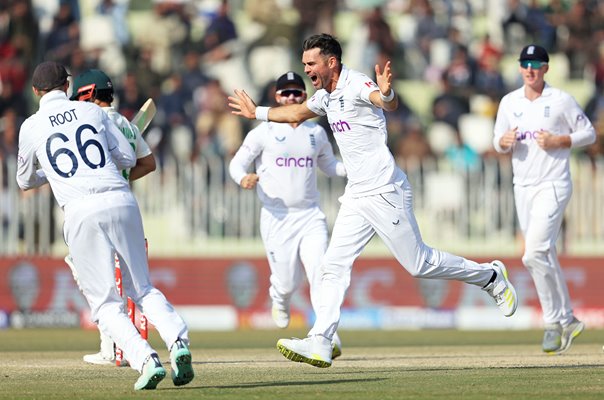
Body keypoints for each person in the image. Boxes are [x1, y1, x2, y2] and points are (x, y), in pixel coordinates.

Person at [228, 33, 518, 368]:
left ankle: (490, 276)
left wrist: (388, 92)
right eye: (304, 63)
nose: (306, 69)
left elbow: (384, 101)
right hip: (356, 194)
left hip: (385, 190)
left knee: (419, 264)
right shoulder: (325, 96)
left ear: (331, 62)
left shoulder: (356, 83)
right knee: (332, 266)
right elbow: (294, 114)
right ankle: (321, 340)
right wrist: (258, 113)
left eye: (311, 63)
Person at [16, 61, 194, 390]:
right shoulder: (94, 114)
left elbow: (25, 181)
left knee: (106, 304)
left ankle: (145, 360)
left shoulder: (30, 126)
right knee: (142, 288)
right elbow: (127, 158)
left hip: (80, 210)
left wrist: (53, 173)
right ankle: (178, 342)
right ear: (67, 86)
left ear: (35, 92)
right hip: (119, 198)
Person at [228, 71, 346, 358]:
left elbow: (330, 168)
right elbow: (236, 165)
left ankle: (326, 334)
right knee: (287, 282)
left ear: (305, 97)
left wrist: (356, 169)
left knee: (321, 272)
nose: (292, 97)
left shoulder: (316, 133)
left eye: (297, 93)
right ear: (277, 98)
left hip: (310, 215)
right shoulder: (262, 133)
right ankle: (279, 298)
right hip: (276, 217)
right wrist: (243, 178)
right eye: (286, 93)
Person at [493, 44, 595, 354]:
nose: (530, 68)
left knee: (532, 252)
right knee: (544, 254)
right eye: (525, 63)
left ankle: (554, 321)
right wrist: (503, 141)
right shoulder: (509, 102)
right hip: (522, 186)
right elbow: (497, 141)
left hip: (553, 184)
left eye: (536, 63)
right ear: (520, 67)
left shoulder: (561, 100)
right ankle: (567, 321)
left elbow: (589, 133)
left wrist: (560, 140)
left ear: (546, 68)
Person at [66, 68, 156, 366]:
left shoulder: (96, 121)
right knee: (121, 282)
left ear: (88, 94)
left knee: (100, 280)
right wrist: (123, 178)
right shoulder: (126, 126)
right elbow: (148, 163)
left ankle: (114, 348)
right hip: (123, 207)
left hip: (94, 208)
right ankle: (115, 346)